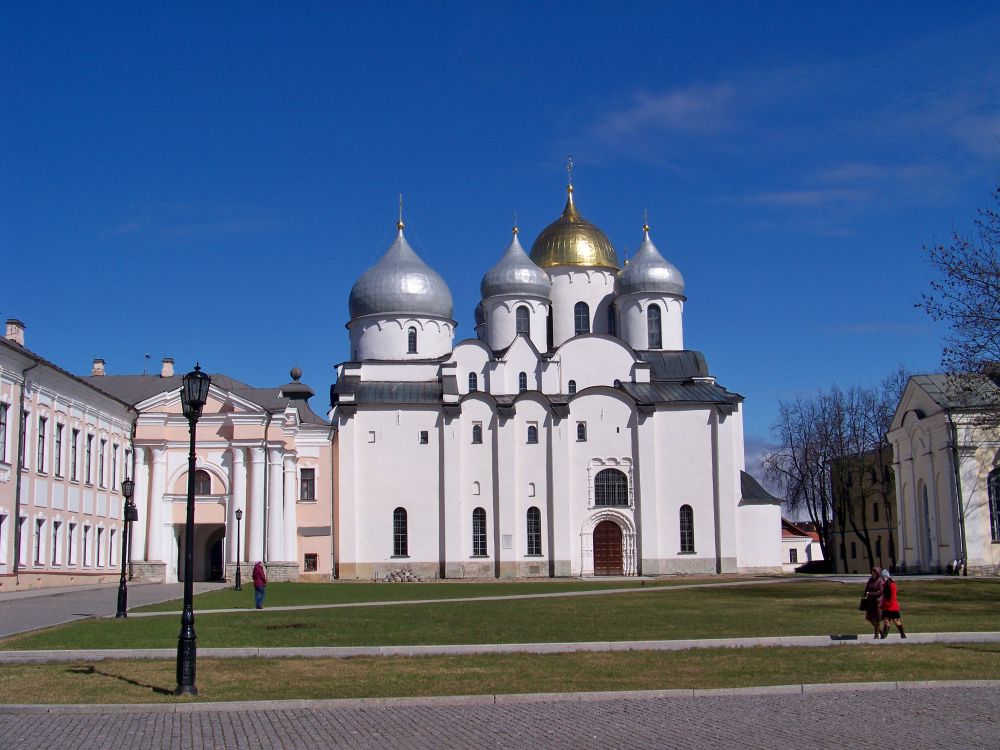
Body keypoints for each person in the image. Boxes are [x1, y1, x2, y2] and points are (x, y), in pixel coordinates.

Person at [879, 569, 906, 638]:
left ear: (885, 577)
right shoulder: (884, 584)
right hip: (885, 607)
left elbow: (892, 597)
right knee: (886, 621)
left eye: (882, 577)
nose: (881, 579)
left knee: (895, 621)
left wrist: (886, 603)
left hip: (892, 606)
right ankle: (884, 636)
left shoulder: (892, 585)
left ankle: (903, 634)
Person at [862, 566, 884, 639]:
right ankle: (881, 632)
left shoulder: (880, 581)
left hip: (877, 603)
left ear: (877, 573)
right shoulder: (870, 580)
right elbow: (867, 588)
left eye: (874, 572)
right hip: (870, 602)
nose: (873, 573)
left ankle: (876, 635)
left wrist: (870, 594)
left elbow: (880, 592)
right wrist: (865, 594)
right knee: (870, 618)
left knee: (876, 619)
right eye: (872, 572)